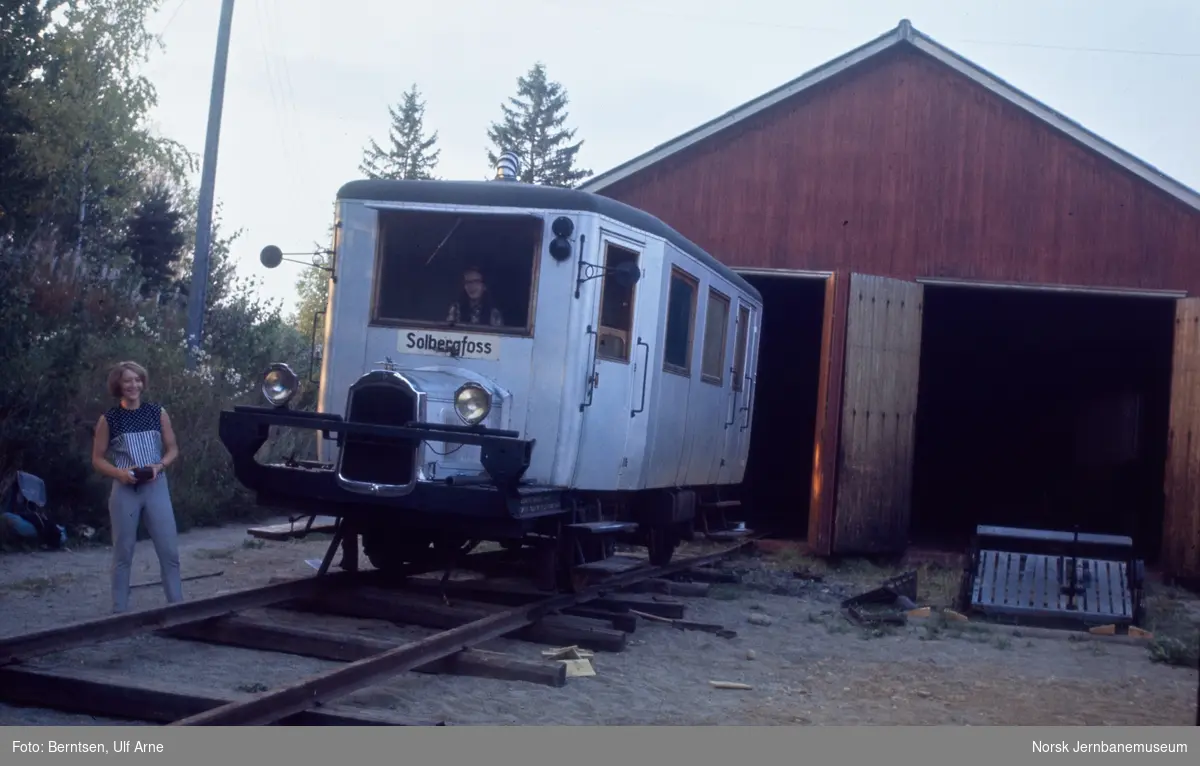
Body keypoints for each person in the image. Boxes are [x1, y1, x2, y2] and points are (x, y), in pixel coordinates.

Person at [91, 361, 183, 613]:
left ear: (143, 383)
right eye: (127, 380)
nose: (133, 385)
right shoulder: (109, 419)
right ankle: (119, 613)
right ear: (118, 385)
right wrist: (118, 473)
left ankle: (178, 609)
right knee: (123, 553)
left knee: (169, 551)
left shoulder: (157, 413)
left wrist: (159, 466)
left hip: (155, 486)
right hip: (125, 490)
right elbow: (97, 458)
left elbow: (173, 448)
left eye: (137, 380)